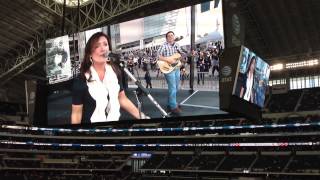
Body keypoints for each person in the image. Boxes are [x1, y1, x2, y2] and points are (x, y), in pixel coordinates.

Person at [71, 32, 148, 124]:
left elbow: (122, 98)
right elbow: (76, 113)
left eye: (105, 44)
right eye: (97, 46)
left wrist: (142, 116)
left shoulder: (114, 72)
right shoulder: (81, 80)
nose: (103, 49)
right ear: (89, 54)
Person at [157, 31, 184, 114]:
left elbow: (181, 53)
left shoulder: (177, 45)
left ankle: (170, 103)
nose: (171, 37)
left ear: (174, 36)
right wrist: (167, 59)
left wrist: (188, 54)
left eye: (172, 35)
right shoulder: (163, 46)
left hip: (176, 68)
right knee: (172, 87)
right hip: (168, 68)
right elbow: (158, 55)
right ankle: (173, 106)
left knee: (176, 87)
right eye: (169, 36)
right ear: (166, 38)